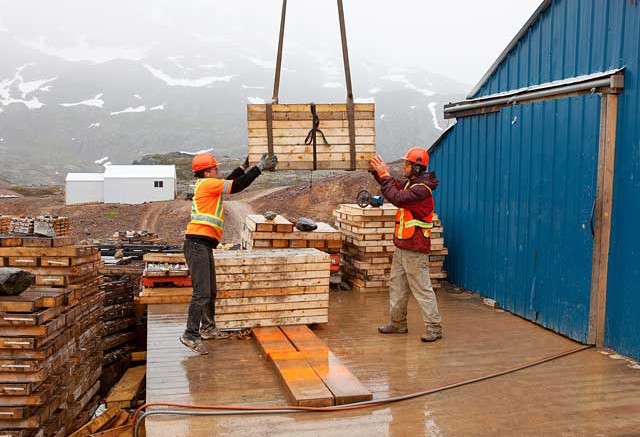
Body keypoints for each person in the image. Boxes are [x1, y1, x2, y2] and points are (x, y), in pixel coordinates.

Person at [180, 152, 278, 354]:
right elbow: (236, 186)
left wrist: (243, 167)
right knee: (202, 293)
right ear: (207, 172)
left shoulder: (207, 185)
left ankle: (208, 329)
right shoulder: (207, 184)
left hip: (202, 245)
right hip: (197, 245)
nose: (218, 171)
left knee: (210, 291)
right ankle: (190, 334)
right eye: (215, 168)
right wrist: (259, 168)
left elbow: (230, 180)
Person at [369, 147, 443, 342]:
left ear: (417, 168)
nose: (404, 166)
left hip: (415, 249)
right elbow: (394, 186)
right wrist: (379, 174)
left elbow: (397, 198)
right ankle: (398, 323)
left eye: (407, 164)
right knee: (397, 286)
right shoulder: (412, 184)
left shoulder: (421, 191)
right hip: (403, 246)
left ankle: (434, 328)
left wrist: (384, 175)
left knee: (421, 288)